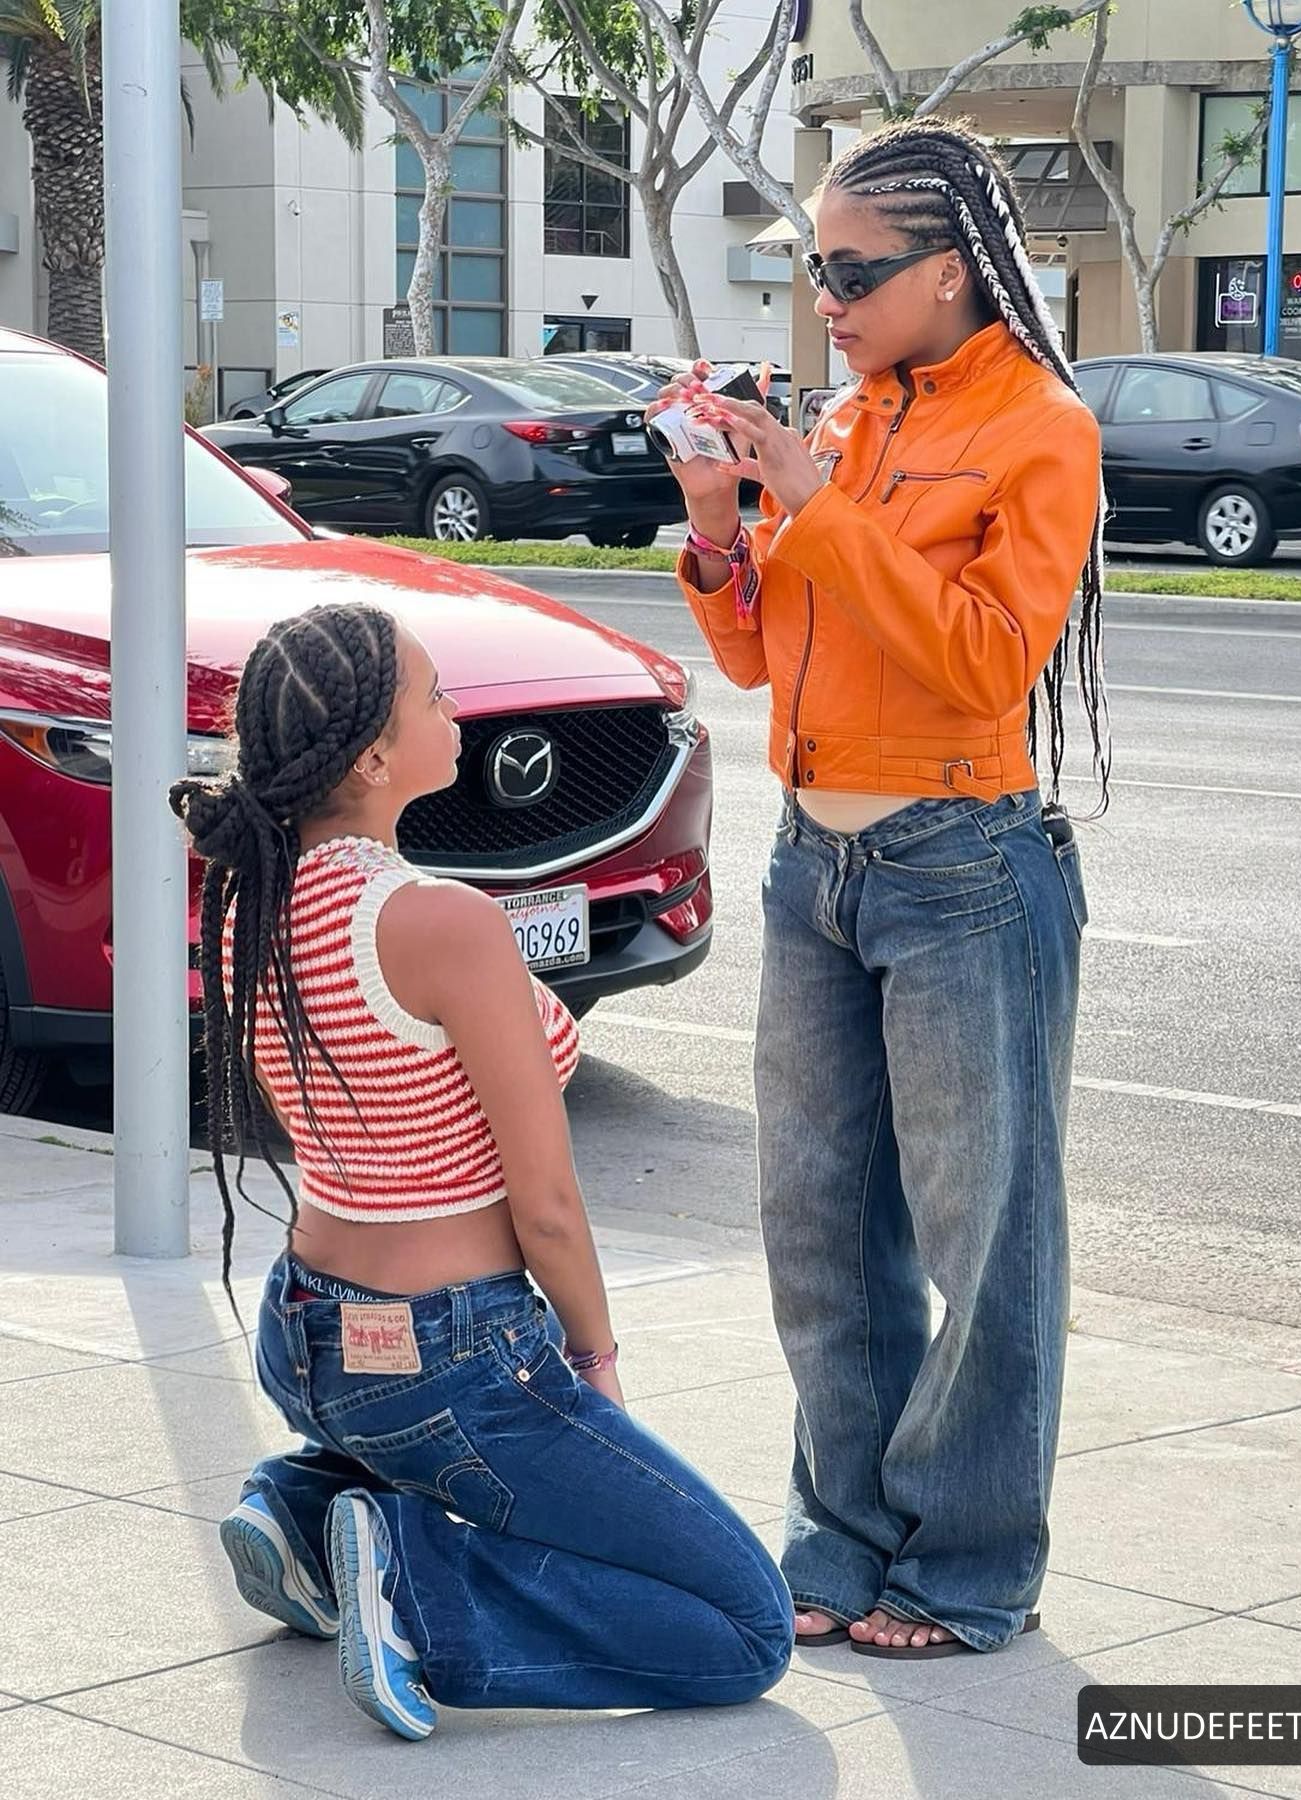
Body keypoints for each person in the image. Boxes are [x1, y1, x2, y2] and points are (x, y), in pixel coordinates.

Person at [170, 602, 791, 1740]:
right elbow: (544, 1207)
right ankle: (416, 1594)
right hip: (448, 1364)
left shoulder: (254, 897)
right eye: (434, 696)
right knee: (748, 1625)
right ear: (373, 758)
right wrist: (593, 1364)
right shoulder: (439, 922)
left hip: (308, 1341)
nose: (456, 711)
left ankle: (305, 1509)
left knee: (486, 1479)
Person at [655, 116, 1107, 1661]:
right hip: (816, 864)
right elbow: (762, 659)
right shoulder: (844, 424)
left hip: (963, 864)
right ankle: (841, 1535)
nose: (825, 299)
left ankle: (967, 1565)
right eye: (814, 269)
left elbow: (983, 658)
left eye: (853, 272)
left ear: (953, 270)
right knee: (819, 1225)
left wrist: (815, 500)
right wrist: (720, 523)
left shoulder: (1042, 428)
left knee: (984, 1241)